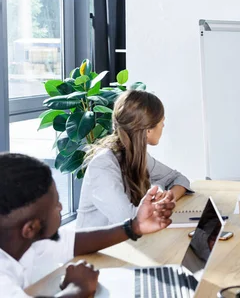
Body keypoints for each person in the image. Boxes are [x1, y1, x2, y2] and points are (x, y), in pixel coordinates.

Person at [0, 152, 176, 298]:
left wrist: (134, 226)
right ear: (30, 228)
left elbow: (72, 242)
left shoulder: (22, 240)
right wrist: (78, 288)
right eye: (55, 205)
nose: (61, 207)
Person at [76, 90, 193, 228]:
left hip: (126, 243)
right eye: (162, 122)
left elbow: (179, 179)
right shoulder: (102, 166)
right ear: (148, 130)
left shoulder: (137, 156)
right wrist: (156, 205)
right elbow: (128, 221)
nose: (163, 126)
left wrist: (167, 198)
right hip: (97, 248)